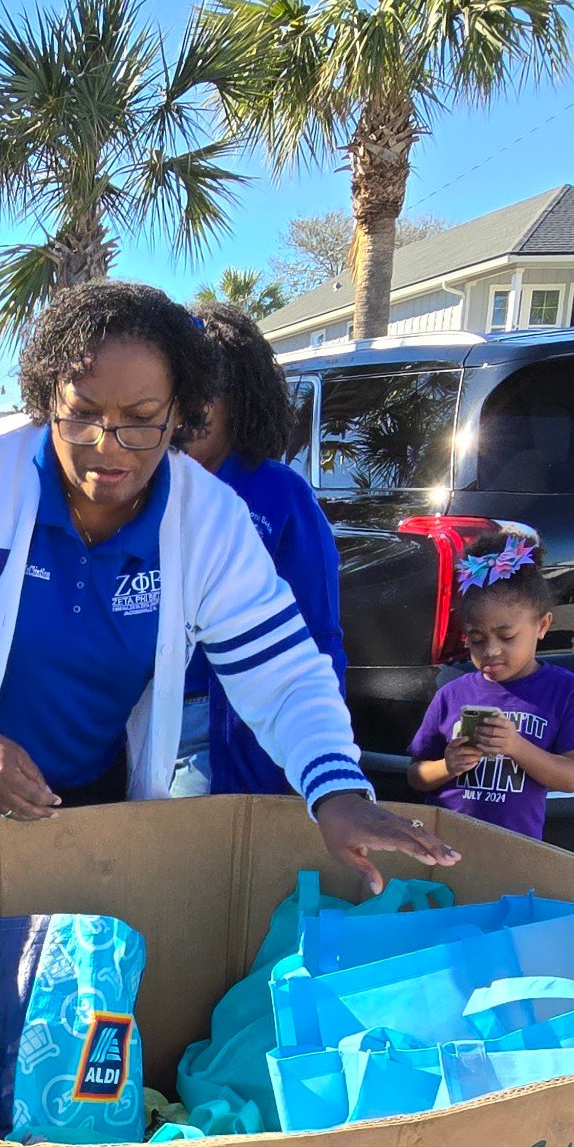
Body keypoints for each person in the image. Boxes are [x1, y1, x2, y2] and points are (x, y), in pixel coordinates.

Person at [0, 280, 455, 893]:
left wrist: (337, 791)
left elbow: (283, 672)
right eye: (82, 413)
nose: (107, 447)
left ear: (179, 413)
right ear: (47, 396)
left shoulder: (207, 519)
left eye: (140, 420)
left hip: (98, 790)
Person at [180, 300, 348, 796]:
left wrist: (318, 750)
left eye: (204, 392)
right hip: (141, 720)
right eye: (177, 390)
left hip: (231, 726)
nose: (187, 411)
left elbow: (319, 633)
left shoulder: (279, 494)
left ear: (239, 397)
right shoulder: (145, 485)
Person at [406, 532, 574, 837]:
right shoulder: (452, 694)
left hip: (514, 847)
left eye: (507, 636)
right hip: (444, 840)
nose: (491, 650)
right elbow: (415, 775)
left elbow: (572, 778)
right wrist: (448, 765)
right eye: (476, 639)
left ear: (542, 625)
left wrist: (515, 746)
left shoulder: (567, 691)